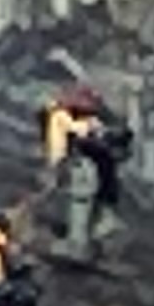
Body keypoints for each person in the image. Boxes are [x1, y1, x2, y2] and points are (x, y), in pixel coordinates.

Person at [41, 84, 130, 255]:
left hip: (77, 167)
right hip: (72, 164)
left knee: (82, 202)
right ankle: (79, 242)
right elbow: (81, 132)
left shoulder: (63, 117)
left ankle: (83, 240)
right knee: (79, 202)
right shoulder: (62, 117)